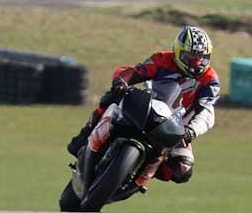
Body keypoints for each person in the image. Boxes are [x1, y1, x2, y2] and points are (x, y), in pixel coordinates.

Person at [67, 25, 220, 184]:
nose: (197, 63)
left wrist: (191, 131)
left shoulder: (211, 80)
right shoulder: (162, 59)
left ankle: (141, 171)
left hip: (178, 126)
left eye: (202, 57)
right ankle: (84, 136)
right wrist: (122, 81)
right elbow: (136, 71)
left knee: (183, 170)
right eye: (191, 56)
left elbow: (207, 111)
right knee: (112, 96)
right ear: (178, 51)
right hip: (149, 106)